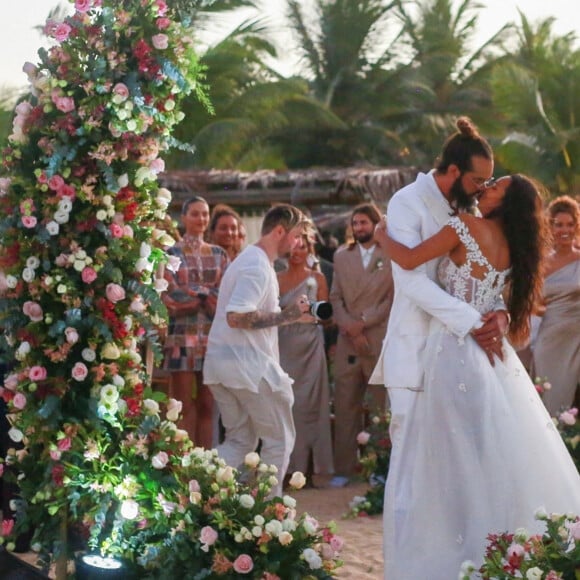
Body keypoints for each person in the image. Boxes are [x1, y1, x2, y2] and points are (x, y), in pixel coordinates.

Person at [376, 172, 580, 577]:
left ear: (506, 202)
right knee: (491, 454)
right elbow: (517, 322)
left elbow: (410, 259)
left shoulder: (464, 226)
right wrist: (501, 315)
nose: (486, 188)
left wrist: (383, 236)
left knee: (447, 458)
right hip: (493, 359)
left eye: (496, 186)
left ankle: (463, 547)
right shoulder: (517, 248)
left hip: (451, 351)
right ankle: (497, 544)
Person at [203, 204, 312, 497]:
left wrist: (293, 315)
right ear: (279, 231)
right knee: (279, 439)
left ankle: (194, 482)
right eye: (297, 235)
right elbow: (236, 316)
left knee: (240, 441)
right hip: (247, 368)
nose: (298, 242)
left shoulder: (251, 260)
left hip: (224, 365)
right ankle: (268, 509)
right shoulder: (256, 266)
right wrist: (288, 315)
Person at [328, 202, 394, 487]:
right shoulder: (342, 256)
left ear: (376, 224)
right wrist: (349, 327)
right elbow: (334, 298)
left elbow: (392, 299)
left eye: (365, 222)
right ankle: (345, 469)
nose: (359, 228)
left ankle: (380, 467)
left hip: (377, 338)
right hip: (347, 341)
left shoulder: (391, 255)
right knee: (344, 405)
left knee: (381, 409)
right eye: (355, 223)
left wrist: (363, 323)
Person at [162, 196, 228, 448]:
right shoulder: (171, 253)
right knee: (181, 405)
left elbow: (225, 295)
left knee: (208, 405)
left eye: (205, 214)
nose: (201, 219)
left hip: (213, 339)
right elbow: (170, 295)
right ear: (184, 218)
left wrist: (194, 293)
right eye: (195, 214)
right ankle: (182, 463)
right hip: (181, 337)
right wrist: (204, 294)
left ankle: (206, 463)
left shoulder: (220, 254)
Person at [277, 233, 334, 484]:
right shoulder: (276, 278)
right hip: (284, 344)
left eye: (301, 248)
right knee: (287, 403)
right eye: (292, 248)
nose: (296, 253)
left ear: (308, 249)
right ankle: (287, 467)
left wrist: (311, 315)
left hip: (310, 344)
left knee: (310, 404)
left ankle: (314, 468)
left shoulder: (317, 278)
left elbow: (326, 314)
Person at [532, 195, 580, 414]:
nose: (565, 230)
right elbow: (531, 304)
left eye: (570, 224)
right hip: (549, 341)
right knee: (548, 402)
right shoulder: (540, 263)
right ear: (549, 226)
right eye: (559, 224)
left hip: (577, 340)